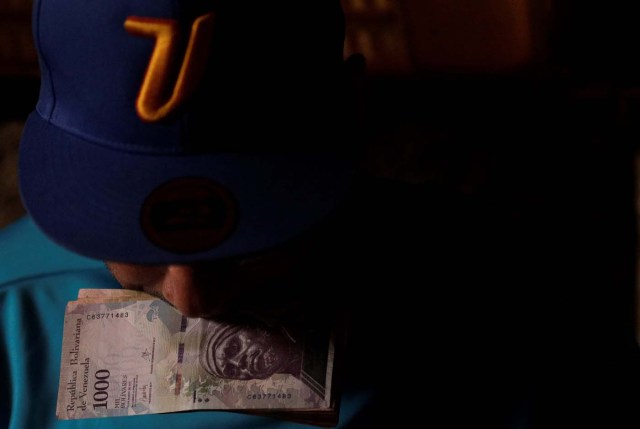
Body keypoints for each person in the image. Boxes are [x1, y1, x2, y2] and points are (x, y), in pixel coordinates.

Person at [0, 0, 536, 428]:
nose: (195, 302)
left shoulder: (508, 297)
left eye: (247, 241)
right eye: (133, 236)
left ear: (353, 108)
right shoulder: (5, 316)